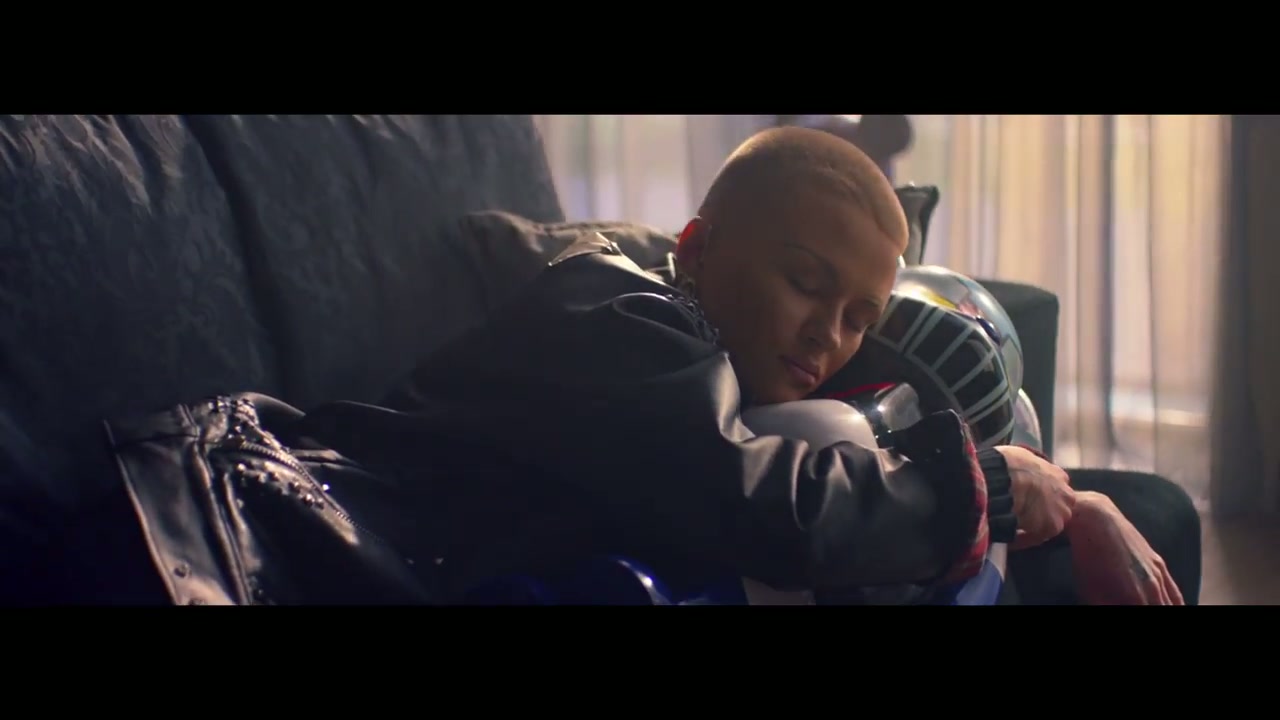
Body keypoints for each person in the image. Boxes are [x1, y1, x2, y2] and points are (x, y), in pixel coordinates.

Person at [320, 125, 1196, 604]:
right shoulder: (609, 310)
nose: (827, 335)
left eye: (858, 317)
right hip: (302, 528)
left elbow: (870, 446)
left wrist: (1079, 502)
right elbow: (764, 504)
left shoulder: (749, 359)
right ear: (695, 248)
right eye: (804, 283)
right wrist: (996, 490)